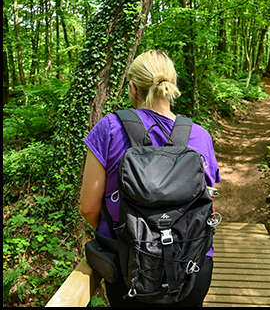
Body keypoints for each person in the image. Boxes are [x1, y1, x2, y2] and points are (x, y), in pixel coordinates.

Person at [80, 50, 221, 307]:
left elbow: (88, 207)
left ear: (133, 88)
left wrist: (125, 233)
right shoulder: (200, 136)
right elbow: (205, 199)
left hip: (130, 268)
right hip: (192, 265)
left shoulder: (109, 128)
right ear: (172, 86)